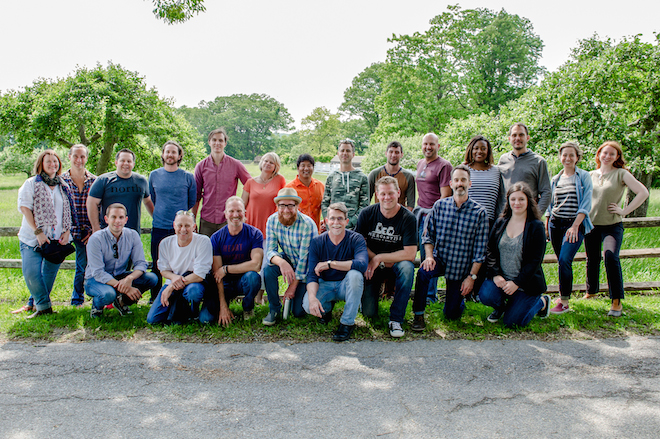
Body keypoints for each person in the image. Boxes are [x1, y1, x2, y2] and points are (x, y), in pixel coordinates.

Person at [411, 165, 488, 331]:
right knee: (423, 273)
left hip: (460, 267)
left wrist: (471, 277)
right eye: (457, 180)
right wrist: (429, 256)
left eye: (463, 180)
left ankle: (458, 301)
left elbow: (480, 251)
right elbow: (428, 235)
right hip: (440, 259)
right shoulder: (439, 206)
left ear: (470, 183)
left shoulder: (480, 212)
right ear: (451, 183)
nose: (460, 183)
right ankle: (418, 314)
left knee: (451, 315)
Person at [584, 141, 649, 316]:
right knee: (592, 259)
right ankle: (591, 292)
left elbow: (643, 192)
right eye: (604, 153)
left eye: (612, 154)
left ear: (617, 157)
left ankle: (616, 301)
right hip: (591, 225)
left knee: (611, 257)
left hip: (612, 225)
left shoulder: (621, 174)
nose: (607, 156)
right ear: (599, 154)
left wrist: (624, 211)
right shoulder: (590, 174)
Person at [479, 182, 551, 328]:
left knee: (513, 323)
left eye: (521, 199)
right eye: (513, 199)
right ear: (508, 201)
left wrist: (517, 283)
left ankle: (541, 302)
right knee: (485, 295)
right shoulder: (501, 222)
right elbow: (489, 249)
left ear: (529, 201)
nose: (517, 203)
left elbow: (535, 261)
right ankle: (501, 307)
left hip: (525, 284)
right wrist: (496, 274)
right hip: (502, 280)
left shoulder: (536, 226)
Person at [13, 150, 73, 318]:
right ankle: (43, 306)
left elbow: (68, 211)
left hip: (56, 240)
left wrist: (67, 232)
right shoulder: (31, 183)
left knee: (48, 277)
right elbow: (25, 208)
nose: (52, 164)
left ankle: (41, 308)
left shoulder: (64, 185)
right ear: (41, 164)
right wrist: (38, 232)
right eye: (48, 161)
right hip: (32, 238)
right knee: (31, 273)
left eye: (55, 161)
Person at [356, 176, 416, 338]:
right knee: (369, 314)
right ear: (377, 194)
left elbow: (410, 254)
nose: (387, 197)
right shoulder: (367, 213)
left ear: (398, 193)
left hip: (395, 265)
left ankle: (396, 319)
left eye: (391, 193)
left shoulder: (408, 218)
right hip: (373, 267)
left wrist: (380, 258)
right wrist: (374, 259)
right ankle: (367, 300)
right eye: (383, 194)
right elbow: (359, 244)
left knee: (407, 268)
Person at [303, 202, 368, 342]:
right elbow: (312, 275)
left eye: (340, 218)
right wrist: (312, 297)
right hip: (325, 284)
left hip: (346, 285)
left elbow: (362, 264)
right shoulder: (317, 242)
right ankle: (325, 310)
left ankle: (347, 323)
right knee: (308, 305)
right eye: (332, 218)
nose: (336, 222)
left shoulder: (356, 239)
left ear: (346, 221)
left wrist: (330, 264)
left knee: (355, 274)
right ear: (326, 221)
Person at [84, 203, 158, 318]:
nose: (117, 221)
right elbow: (98, 272)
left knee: (152, 279)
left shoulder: (132, 235)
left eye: (121, 217)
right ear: (106, 219)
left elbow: (141, 264)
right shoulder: (96, 239)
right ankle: (97, 307)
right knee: (108, 294)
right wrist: (126, 288)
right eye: (113, 217)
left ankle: (122, 302)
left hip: (119, 275)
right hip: (95, 279)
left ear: (126, 220)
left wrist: (129, 279)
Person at [199, 197, 263, 326]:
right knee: (206, 319)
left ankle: (248, 307)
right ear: (226, 214)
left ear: (245, 212)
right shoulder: (216, 238)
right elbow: (217, 275)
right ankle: (224, 304)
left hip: (243, 281)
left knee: (253, 277)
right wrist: (223, 306)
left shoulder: (255, 234)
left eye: (239, 211)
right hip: (224, 284)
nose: (235, 215)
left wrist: (226, 269)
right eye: (231, 211)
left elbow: (256, 265)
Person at [546, 142, 593, 314]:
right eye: (564, 155)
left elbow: (586, 203)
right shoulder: (555, 179)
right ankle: (562, 295)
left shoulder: (583, 177)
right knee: (561, 262)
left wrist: (574, 226)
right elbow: (551, 205)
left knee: (565, 260)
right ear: (560, 157)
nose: (567, 158)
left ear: (577, 158)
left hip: (574, 225)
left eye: (571, 155)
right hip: (555, 225)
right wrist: (547, 223)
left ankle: (564, 302)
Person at [148, 140, 196, 303]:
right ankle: (155, 297)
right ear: (163, 154)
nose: (170, 155)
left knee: (182, 263)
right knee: (157, 263)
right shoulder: (154, 175)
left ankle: (178, 295)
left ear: (179, 155)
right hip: (159, 226)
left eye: (173, 152)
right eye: (167, 151)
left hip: (181, 229)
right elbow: (152, 198)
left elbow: (191, 202)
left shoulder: (188, 177)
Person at [262, 188, 318, 326]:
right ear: (277, 206)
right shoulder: (272, 221)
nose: (286, 210)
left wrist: (292, 287)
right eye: (282, 205)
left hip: (308, 267)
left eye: (290, 206)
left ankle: (310, 294)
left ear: (297, 206)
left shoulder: (307, 225)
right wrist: (281, 263)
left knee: (298, 312)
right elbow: (270, 251)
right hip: (288, 258)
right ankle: (274, 309)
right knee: (268, 270)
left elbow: (305, 260)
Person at [147, 211, 212, 325]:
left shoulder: (203, 241)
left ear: (194, 226)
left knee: (194, 292)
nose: (183, 229)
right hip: (173, 281)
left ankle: (193, 312)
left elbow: (199, 275)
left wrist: (172, 286)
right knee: (152, 319)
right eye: (179, 225)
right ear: (174, 226)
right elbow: (163, 270)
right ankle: (177, 309)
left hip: (194, 282)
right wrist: (173, 278)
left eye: (187, 225)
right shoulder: (165, 243)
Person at [415, 133, 452, 303]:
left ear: (438, 146)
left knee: (429, 256)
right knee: (416, 253)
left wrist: (434, 219)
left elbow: (445, 197)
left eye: (431, 144)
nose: (428, 147)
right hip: (419, 214)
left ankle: (430, 296)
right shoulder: (421, 163)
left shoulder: (444, 166)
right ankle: (419, 291)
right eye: (425, 144)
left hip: (433, 216)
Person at [193, 128, 251, 237]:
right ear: (209, 142)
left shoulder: (236, 165)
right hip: (206, 220)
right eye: (214, 140)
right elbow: (196, 195)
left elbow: (250, 186)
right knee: (206, 252)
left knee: (228, 253)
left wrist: (242, 208)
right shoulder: (201, 166)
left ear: (225, 143)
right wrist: (193, 219)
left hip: (228, 219)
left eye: (220, 140)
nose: (217, 143)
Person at [60, 144, 96, 307]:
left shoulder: (94, 181)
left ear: (86, 158)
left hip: (87, 232)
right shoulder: (61, 180)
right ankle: (37, 299)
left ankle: (77, 299)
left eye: (82, 156)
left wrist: (94, 230)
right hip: (66, 230)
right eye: (76, 156)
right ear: (69, 157)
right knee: (49, 263)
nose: (79, 160)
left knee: (82, 266)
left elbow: (99, 207)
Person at [87, 148, 153, 233]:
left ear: (133, 164)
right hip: (108, 232)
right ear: (116, 162)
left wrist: (157, 219)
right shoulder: (103, 180)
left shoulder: (141, 181)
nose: (125, 163)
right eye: (122, 160)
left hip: (133, 232)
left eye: (129, 161)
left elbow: (148, 202)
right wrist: (95, 227)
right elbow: (91, 203)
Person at [497, 123, 552, 214]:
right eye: (514, 135)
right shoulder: (503, 160)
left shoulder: (538, 162)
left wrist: (536, 215)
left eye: (521, 135)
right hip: (505, 217)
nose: (517, 138)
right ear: (509, 139)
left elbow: (546, 192)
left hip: (527, 217)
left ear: (527, 138)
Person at [321, 139, 369, 230]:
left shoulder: (362, 177)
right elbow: (325, 203)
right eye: (342, 150)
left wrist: (350, 222)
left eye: (348, 150)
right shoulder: (331, 177)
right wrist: (329, 221)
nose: (345, 153)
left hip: (354, 229)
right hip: (333, 227)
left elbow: (364, 205)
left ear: (353, 154)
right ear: (338, 154)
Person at [463, 135, 505, 226]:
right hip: (466, 219)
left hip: (489, 221)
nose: (479, 151)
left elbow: (500, 198)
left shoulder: (496, 171)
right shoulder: (463, 169)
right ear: (471, 150)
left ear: (488, 151)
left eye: (483, 148)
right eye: (476, 148)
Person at [242, 152, 286, 236]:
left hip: (270, 224)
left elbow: (284, 201)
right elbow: (242, 204)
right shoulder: (250, 182)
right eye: (266, 161)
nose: (267, 164)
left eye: (271, 162)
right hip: (250, 223)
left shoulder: (280, 180)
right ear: (261, 162)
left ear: (275, 166)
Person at [367, 141, 416, 210]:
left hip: (400, 216)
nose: (393, 155)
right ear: (386, 153)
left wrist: (405, 219)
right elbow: (366, 200)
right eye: (391, 152)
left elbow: (411, 204)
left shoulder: (408, 177)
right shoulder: (374, 174)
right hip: (379, 216)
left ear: (401, 155)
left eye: (397, 152)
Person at [285, 154, 325, 230]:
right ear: (298, 168)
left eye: (309, 165)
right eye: (303, 165)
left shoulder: (320, 186)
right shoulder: (289, 188)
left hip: (315, 232)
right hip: (295, 233)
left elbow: (326, 206)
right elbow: (281, 213)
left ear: (313, 168)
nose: (306, 169)